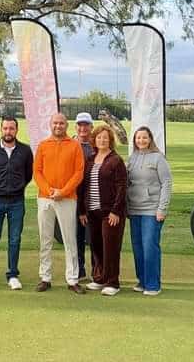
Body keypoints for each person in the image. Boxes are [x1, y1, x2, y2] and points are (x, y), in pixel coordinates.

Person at [32, 113, 87, 294]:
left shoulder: (75, 146)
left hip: (67, 198)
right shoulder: (43, 145)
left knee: (69, 239)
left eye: (61, 123)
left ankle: (72, 279)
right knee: (45, 238)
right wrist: (49, 191)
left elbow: (78, 172)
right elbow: (37, 172)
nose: (58, 126)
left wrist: (62, 192)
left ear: (66, 125)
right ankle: (45, 277)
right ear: (50, 125)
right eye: (55, 123)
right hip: (45, 198)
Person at [0, 116, 33, 290]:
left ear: (17, 130)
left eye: (11, 128)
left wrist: (17, 186)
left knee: (14, 240)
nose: (8, 131)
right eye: (5, 128)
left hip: (17, 201)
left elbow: (28, 174)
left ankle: (13, 274)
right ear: (1, 130)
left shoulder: (25, 151)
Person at [77, 125, 127, 296]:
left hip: (110, 213)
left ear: (110, 140)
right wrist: (82, 210)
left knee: (110, 247)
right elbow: (83, 186)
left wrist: (116, 211)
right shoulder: (90, 159)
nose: (102, 140)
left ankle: (112, 282)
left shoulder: (116, 160)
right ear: (94, 140)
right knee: (96, 246)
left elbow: (122, 188)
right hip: (92, 212)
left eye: (105, 138)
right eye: (99, 138)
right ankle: (99, 278)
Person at [126, 126, 173, 296]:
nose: (141, 141)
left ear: (150, 139)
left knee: (149, 246)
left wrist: (162, 209)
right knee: (138, 247)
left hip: (152, 210)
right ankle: (142, 280)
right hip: (134, 210)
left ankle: (153, 285)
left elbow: (167, 184)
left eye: (144, 138)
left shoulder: (158, 158)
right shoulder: (132, 158)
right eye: (138, 138)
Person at [71, 112, 93, 279]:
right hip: (74, 195)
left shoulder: (98, 144)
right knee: (76, 235)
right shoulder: (70, 144)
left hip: (93, 196)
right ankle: (79, 269)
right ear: (76, 127)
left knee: (94, 236)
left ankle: (98, 270)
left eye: (86, 125)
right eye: (80, 125)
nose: (83, 128)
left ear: (91, 127)